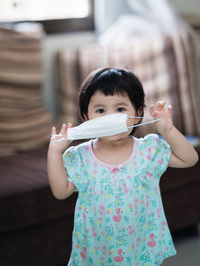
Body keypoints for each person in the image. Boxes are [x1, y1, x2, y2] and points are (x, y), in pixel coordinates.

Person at [47, 67, 198, 266]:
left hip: (141, 247)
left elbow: (190, 159)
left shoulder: (148, 150)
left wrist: (167, 130)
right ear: (86, 117)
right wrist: (54, 152)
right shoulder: (80, 157)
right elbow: (60, 192)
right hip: (96, 250)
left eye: (120, 109)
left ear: (137, 115)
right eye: (100, 110)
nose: (110, 116)